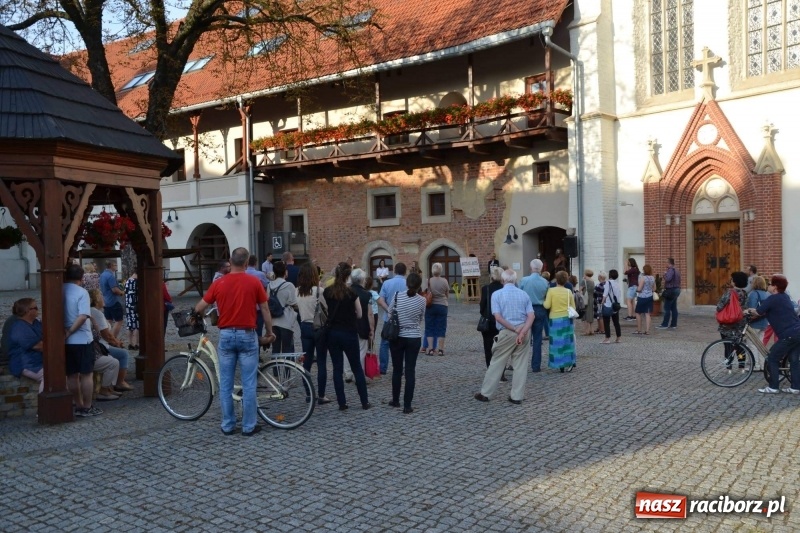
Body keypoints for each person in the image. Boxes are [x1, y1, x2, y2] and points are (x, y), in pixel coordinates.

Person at [194, 247, 275, 436]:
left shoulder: (219, 283)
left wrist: (195, 315)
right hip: (247, 335)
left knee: (226, 383)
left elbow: (201, 306)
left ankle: (228, 424)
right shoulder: (254, 282)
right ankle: (248, 426)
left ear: (230, 262)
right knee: (248, 383)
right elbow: (264, 309)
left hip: (227, 335)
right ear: (246, 263)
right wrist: (270, 332)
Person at [474, 269, 535, 404]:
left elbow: (498, 317)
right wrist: (523, 331)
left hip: (507, 332)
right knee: (520, 365)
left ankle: (486, 393)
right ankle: (517, 396)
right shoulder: (524, 294)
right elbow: (531, 316)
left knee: (497, 362)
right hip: (523, 331)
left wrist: (514, 329)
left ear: (502, 281)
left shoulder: (497, 294)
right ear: (515, 280)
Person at [323, 262, 371, 411]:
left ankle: (342, 403)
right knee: (356, 366)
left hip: (333, 333)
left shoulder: (327, 291)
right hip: (349, 332)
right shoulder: (352, 293)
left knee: (337, 368)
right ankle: (364, 401)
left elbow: (326, 310)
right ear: (348, 276)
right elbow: (360, 314)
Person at [746, 274, 800, 394]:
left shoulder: (773, 298)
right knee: (794, 360)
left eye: (770, 284)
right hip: (797, 332)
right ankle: (796, 387)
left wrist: (748, 310)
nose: (768, 286)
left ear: (775, 287)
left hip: (788, 334)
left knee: (772, 358)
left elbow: (759, 311)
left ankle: (773, 386)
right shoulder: (784, 297)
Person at [64, 264, 103, 417]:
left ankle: (78, 404)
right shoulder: (82, 292)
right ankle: (86, 406)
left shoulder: (59, 289)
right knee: (86, 374)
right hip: (81, 338)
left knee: (72, 375)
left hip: (67, 341)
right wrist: (70, 331)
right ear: (81, 278)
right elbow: (82, 316)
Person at [389, 272, 427, 413]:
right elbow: (421, 318)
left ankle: (395, 400)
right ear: (419, 286)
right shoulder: (422, 300)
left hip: (398, 335)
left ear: (407, 283)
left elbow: (389, 312)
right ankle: (407, 405)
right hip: (413, 337)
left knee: (397, 370)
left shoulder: (398, 296)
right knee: (410, 371)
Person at [296, 262, 330, 405]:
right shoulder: (319, 291)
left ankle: (309, 393)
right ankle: (321, 395)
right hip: (319, 327)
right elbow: (326, 309)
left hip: (304, 327)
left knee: (307, 363)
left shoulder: (297, 291)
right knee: (322, 362)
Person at [89, 288, 134, 392]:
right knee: (123, 354)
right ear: (96, 299)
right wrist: (116, 343)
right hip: (100, 346)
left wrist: (115, 341)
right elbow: (106, 335)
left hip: (98, 344)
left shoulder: (94, 311)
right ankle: (119, 382)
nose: (103, 298)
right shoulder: (97, 313)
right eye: (101, 296)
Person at [715, 271, 749, 373]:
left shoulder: (729, 293)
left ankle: (729, 367)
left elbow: (719, 306)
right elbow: (745, 307)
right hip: (740, 323)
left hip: (727, 324)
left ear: (734, 282)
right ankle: (741, 366)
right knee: (739, 346)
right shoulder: (744, 293)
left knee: (728, 346)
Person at [7, 298, 44, 393]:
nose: (38, 309)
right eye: (35, 307)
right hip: (26, 363)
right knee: (49, 377)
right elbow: (40, 346)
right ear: (28, 311)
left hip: (38, 361)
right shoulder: (19, 327)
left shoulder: (36, 323)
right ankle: (46, 405)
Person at [519, 258, 549, 372]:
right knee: (537, 339)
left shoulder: (524, 280)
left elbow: (519, 295)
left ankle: (520, 364)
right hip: (540, 309)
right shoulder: (545, 282)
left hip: (526, 310)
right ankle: (536, 366)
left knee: (524, 337)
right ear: (541, 269)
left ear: (531, 268)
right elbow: (547, 297)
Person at [378, 262, 408, 374]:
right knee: (402, 343)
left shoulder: (387, 283)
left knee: (385, 343)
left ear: (394, 271)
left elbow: (381, 300)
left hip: (388, 318)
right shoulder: (408, 284)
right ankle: (400, 368)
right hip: (404, 318)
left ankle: (383, 368)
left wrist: (389, 310)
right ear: (405, 272)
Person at [544, 270, 577, 371]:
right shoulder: (568, 292)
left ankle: (559, 364)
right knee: (567, 341)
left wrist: (543, 301)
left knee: (556, 343)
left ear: (556, 280)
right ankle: (569, 362)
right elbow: (573, 306)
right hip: (566, 319)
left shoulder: (551, 291)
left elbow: (547, 305)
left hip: (555, 319)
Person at [349, 268, 375, 379]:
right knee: (361, 351)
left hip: (347, 325)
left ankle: (349, 373)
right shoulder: (366, 294)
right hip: (361, 325)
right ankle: (359, 375)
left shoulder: (346, 291)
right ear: (362, 280)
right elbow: (369, 314)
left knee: (349, 351)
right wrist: (372, 329)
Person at [268, 260, 298, 353]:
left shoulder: (269, 285)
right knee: (288, 349)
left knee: (275, 349)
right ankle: (288, 368)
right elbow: (294, 303)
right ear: (285, 272)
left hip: (273, 321)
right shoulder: (289, 285)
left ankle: (275, 367)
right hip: (286, 321)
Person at [479, 266, 504, 369]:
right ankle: (501, 372)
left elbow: (482, 306)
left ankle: (490, 369)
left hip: (489, 321)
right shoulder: (504, 288)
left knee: (488, 347)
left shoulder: (486, 288)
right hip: (502, 322)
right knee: (501, 348)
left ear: (492, 277)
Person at [424, 262, 449, 356]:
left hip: (430, 306)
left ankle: (430, 349)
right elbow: (447, 294)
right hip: (442, 305)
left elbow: (424, 293)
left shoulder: (428, 281)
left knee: (429, 327)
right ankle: (441, 349)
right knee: (442, 327)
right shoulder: (445, 281)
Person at [746, 276, 770, 370]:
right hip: (764, 322)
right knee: (760, 344)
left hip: (755, 322)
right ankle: (762, 364)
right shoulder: (766, 294)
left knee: (752, 344)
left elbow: (752, 309)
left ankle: (755, 365)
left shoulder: (753, 294)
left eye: (752, 282)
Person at [99, 259, 125, 338]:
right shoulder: (110, 276)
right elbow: (114, 290)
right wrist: (122, 292)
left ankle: (106, 337)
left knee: (108, 320)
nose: (116, 266)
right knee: (119, 321)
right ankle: (112, 338)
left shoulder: (102, 274)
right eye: (115, 265)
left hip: (106, 300)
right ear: (111, 266)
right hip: (113, 301)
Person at [246, 254, 270, 335]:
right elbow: (266, 286)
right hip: (258, 306)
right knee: (258, 330)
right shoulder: (260, 275)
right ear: (255, 263)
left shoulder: (242, 274)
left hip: (245, 306)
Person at [657, 257, 681, 330]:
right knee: (673, 308)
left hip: (671, 290)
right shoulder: (677, 270)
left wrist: (665, 274)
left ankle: (665, 324)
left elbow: (668, 279)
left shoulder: (670, 270)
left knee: (667, 308)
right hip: (676, 289)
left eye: (666, 262)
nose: (665, 264)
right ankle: (673, 324)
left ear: (669, 263)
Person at [601, 269, 623, 344]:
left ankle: (607, 338)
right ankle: (618, 337)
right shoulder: (617, 283)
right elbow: (619, 294)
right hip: (615, 305)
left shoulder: (608, 283)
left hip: (608, 304)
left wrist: (602, 302)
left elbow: (605, 293)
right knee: (616, 322)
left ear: (609, 275)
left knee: (606, 321)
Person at [633, 264, 656, 335]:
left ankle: (639, 329)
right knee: (647, 313)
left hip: (642, 297)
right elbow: (654, 288)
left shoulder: (643, 278)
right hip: (649, 296)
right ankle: (647, 330)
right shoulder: (652, 278)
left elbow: (639, 289)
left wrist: (636, 289)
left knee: (638, 312)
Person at [124, 272, 139, 350]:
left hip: (128, 305)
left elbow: (125, 292)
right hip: (135, 304)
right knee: (136, 324)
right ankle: (136, 343)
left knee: (129, 324)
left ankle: (130, 343)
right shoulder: (136, 282)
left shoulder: (127, 281)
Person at [581, 269, 596, 336]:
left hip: (585, 299)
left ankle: (586, 331)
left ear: (585, 274)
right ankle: (591, 329)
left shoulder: (584, 281)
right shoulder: (592, 281)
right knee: (590, 313)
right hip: (591, 298)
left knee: (585, 314)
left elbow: (580, 290)